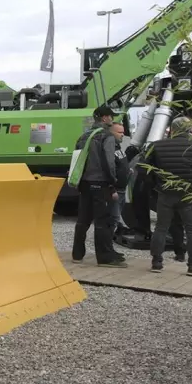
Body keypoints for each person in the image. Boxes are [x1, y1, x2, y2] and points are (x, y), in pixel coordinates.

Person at [142, 116, 192, 276]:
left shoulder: (156, 146)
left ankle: (156, 263)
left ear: (172, 130)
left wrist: (155, 185)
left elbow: (144, 169)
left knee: (161, 227)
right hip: (189, 193)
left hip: (165, 192)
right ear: (189, 129)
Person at [71, 105, 127, 267]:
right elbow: (109, 163)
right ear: (104, 118)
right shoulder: (106, 136)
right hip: (101, 183)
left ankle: (77, 254)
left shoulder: (83, 136)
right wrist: (112, 183)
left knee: (83, 220)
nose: (112, 119)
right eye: (111, 116)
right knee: (103, 221)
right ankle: (105, 258)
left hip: (84, 183)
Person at [108, 122, 132, 237]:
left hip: (122, 189)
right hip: (115, 190)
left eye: (123, 132)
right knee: (113, 218)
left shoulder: (119, 148)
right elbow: (108, 169)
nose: (122, 135)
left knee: (117, 218)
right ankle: (108, 245)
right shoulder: (109, 149)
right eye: (119, 132)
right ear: (111, 133)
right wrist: (112, 189)